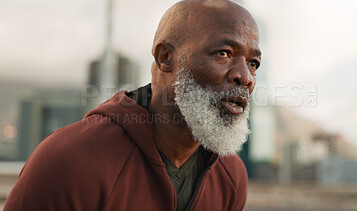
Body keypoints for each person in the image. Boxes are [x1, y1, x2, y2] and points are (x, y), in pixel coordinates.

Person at [4, 0, 261, 210]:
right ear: (165, 58)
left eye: (253, 63)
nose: (245, 77)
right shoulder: (71, 160)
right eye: (224, 53)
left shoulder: (231, 175)